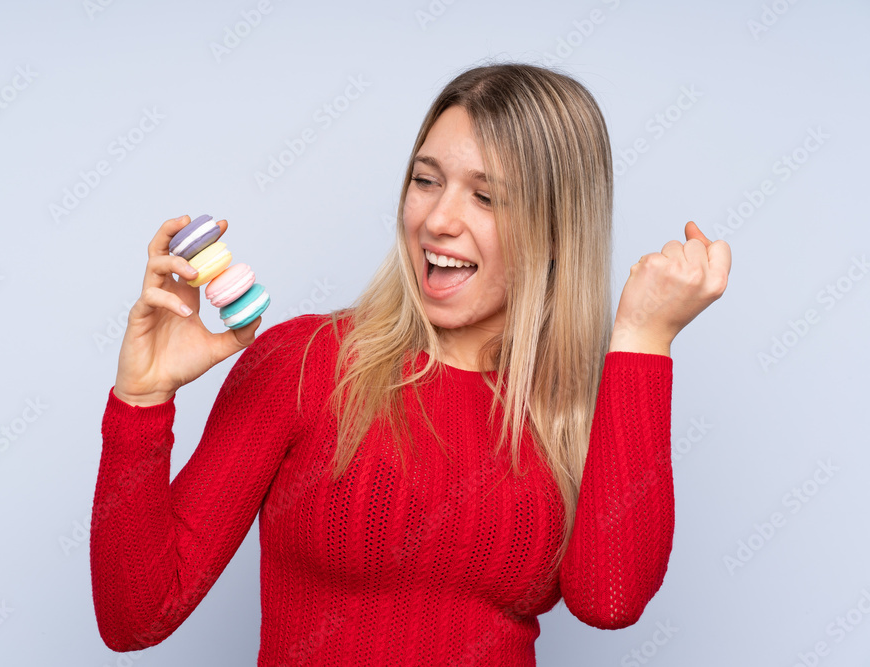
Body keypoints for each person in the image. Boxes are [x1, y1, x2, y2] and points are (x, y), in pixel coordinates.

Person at [90, 61, 731, 666]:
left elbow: (609, 602)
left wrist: (645, 340)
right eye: (426, 181)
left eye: (487, 197)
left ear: (558, 230)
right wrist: (142, 401)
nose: (437, 219)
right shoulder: (306, 363)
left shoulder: (584, 412)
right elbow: (136, 617)